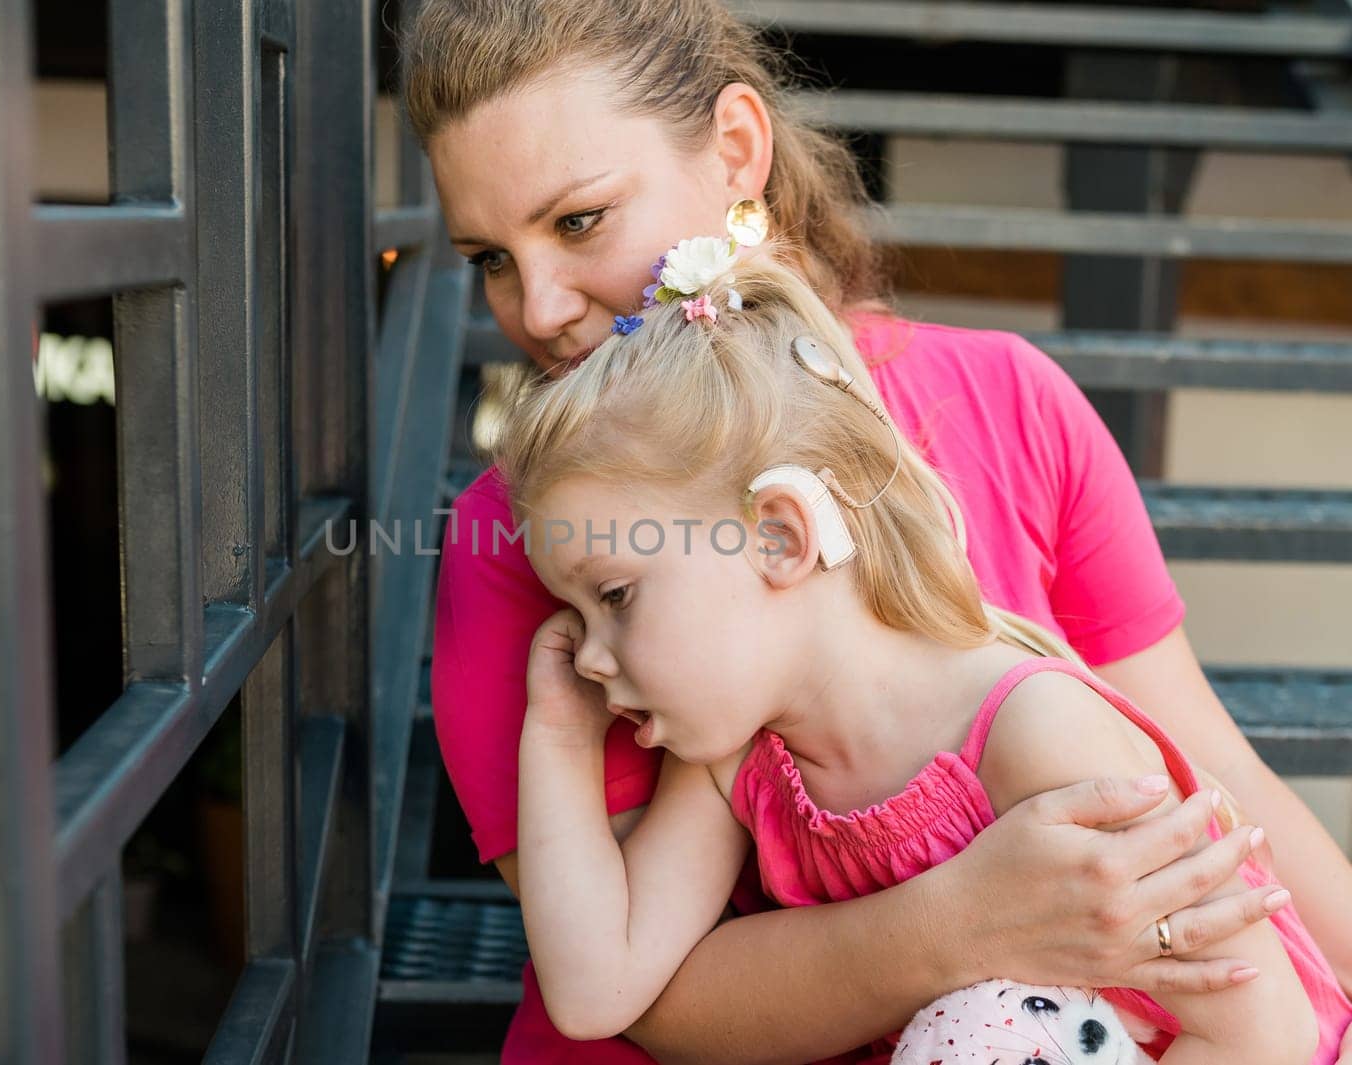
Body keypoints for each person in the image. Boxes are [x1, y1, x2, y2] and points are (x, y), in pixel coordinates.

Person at [403, 0, 1352, 1060]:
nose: (533, 310)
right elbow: (640, 996)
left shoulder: (1010, 409)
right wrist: (961, 921)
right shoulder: (528, 537)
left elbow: (1214, 795)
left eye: (577, 222)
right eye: (488, 257)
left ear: (735, 152)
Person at [496, 247, 1352, 1063]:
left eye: (613, 596)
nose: (591, 657)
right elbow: (595, 988)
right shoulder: (737, 764)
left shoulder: (1035, 732)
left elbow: (1262, 1030)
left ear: (780, 537)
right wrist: (560, 737)